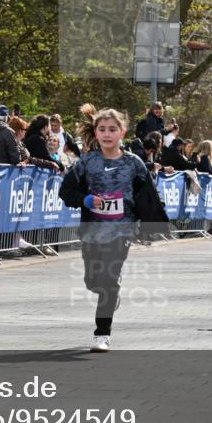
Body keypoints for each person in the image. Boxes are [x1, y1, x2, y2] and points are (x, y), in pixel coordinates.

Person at [60, 105, 151, 352]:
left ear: (122, 132)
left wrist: (149, 226)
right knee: (93, 282)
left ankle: (102, 334)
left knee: (108, 282)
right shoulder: (86, 162)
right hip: (92, 230)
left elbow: (148, 196)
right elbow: (66, 191)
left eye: (112, 129)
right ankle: (110, 293)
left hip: (122, 230)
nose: (107, 134)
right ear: (96, 133)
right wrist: (86, 200)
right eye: (102, 129)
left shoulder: (134, 163)